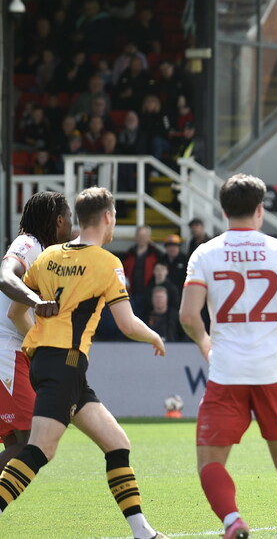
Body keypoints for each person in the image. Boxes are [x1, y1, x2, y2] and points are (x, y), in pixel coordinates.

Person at [0, 187, 167, 539]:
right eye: (115, 216)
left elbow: (16, 311)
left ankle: (143, 532)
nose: (114, 222)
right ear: (107, 217)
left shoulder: (49, 256)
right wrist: (154, 336)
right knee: (38, 449)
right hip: (64, 365)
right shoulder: (107, 262)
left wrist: (38, 346)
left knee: (117, 442)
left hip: (56, 365)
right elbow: (127, 324)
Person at [179, 174, 277, 539]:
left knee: (210, 463)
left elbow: (188, 316)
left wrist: (205, 343)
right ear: (260, 210)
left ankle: (233, 520)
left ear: (223, 211)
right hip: (274, 371)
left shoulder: (205, 253)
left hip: (227, 372)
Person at [0, 192, 73, 469]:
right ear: (58, 220)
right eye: (69, 218)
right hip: (7, 353)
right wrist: (36, 301)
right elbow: (5, 276)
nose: (72, 226)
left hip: (14, 352)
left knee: (20, 443)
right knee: (34, 443)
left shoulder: (45, 253)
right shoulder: (28, 243)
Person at [121, 225, 163, 320]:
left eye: (144, 236)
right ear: (136, 237)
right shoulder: (128, 254)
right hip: (131, 294)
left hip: (149, 294)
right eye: (139, 236)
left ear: (148, 237)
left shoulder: (156, 255)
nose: (141, 238)